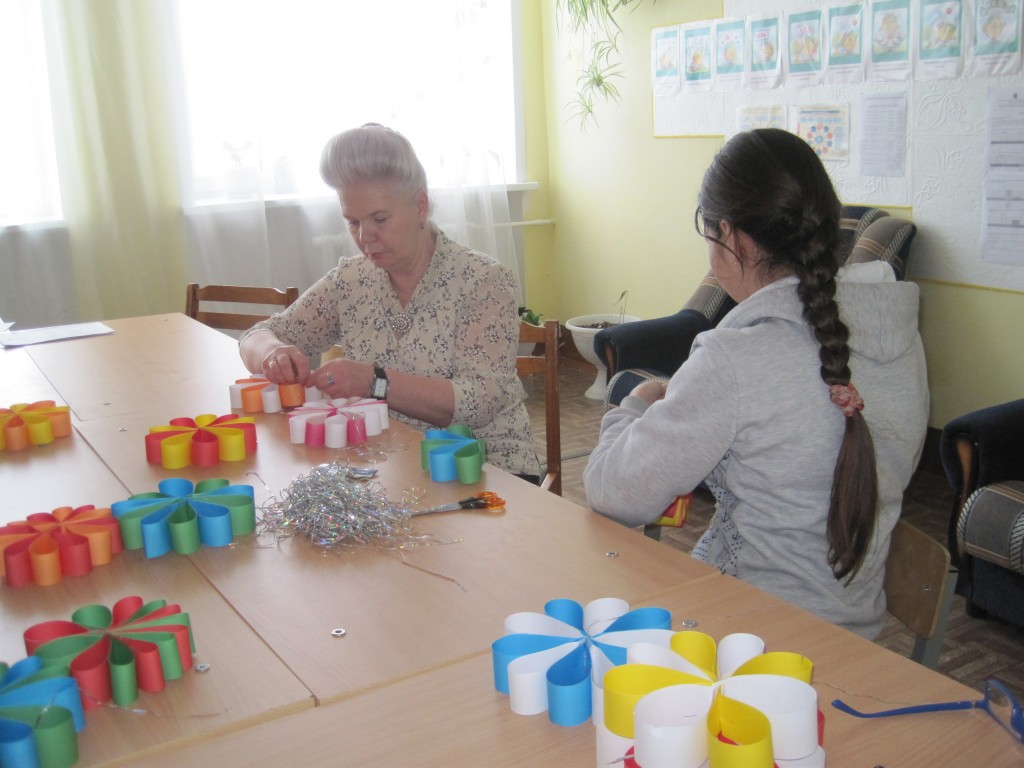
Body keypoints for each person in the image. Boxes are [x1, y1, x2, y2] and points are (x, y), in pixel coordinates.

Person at [584, 128, 928, 638]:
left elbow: (612, 492)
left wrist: (632, 406)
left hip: (748, 637)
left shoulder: (733, 358)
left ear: (732, 237)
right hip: (857, 635)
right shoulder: (900, 337)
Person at [239, 124, 540, 479]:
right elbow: (257, 335)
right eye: (352, 222)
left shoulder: (483, 282)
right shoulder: (351, 280)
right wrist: (273, 352)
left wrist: (374, 382)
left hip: (484, 469)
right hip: (389, 463)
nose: (365, 237)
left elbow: (478, 402)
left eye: (379, 219)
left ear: (420, 206)